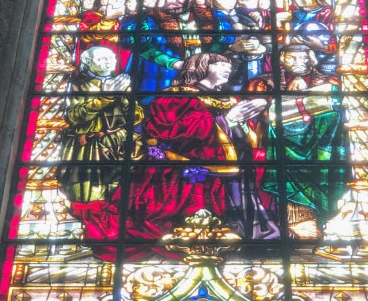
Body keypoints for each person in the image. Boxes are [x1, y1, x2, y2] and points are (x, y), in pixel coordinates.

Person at [79, 53, 279, 250]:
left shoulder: (229, 100)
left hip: (225, 173)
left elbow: (242, 138)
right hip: (179, 175)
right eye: (219, 64)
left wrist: (241, 123)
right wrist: (225, 120)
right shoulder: (175, 96)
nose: (228, 69)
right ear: (200, 67)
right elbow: (174, 133)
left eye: (229, 66)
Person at [250, 44, 349, 239]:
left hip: (323, 141)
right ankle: (297, 220)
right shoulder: (264, 83)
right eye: (293, 58)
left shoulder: (329, 81)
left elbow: (340, 106)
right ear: (281, 60)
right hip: (278, 139)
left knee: (326, 164)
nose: (299, 63)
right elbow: (256, 111)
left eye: (304, 58)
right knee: (286, 167)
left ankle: (326, 217)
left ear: (312, 59)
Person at [57, 46, 143, 206]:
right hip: (88, 149)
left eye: (111, 58)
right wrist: (107, 97)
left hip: (119, 144)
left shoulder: (120, 82)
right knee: (89, 196)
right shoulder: (78, 84)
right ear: (87, 62)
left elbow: (137, 116)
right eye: (102, 58)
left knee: (118, 194)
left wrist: (123, 96)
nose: (109, 62)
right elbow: (74, 117)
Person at [124, 0, 205, 91]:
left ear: (190, 0)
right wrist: (172, 63)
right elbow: (139, 44)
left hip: (193, 77)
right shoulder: (151, 18)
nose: (174, 1)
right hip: (155, 75)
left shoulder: (202, 20)